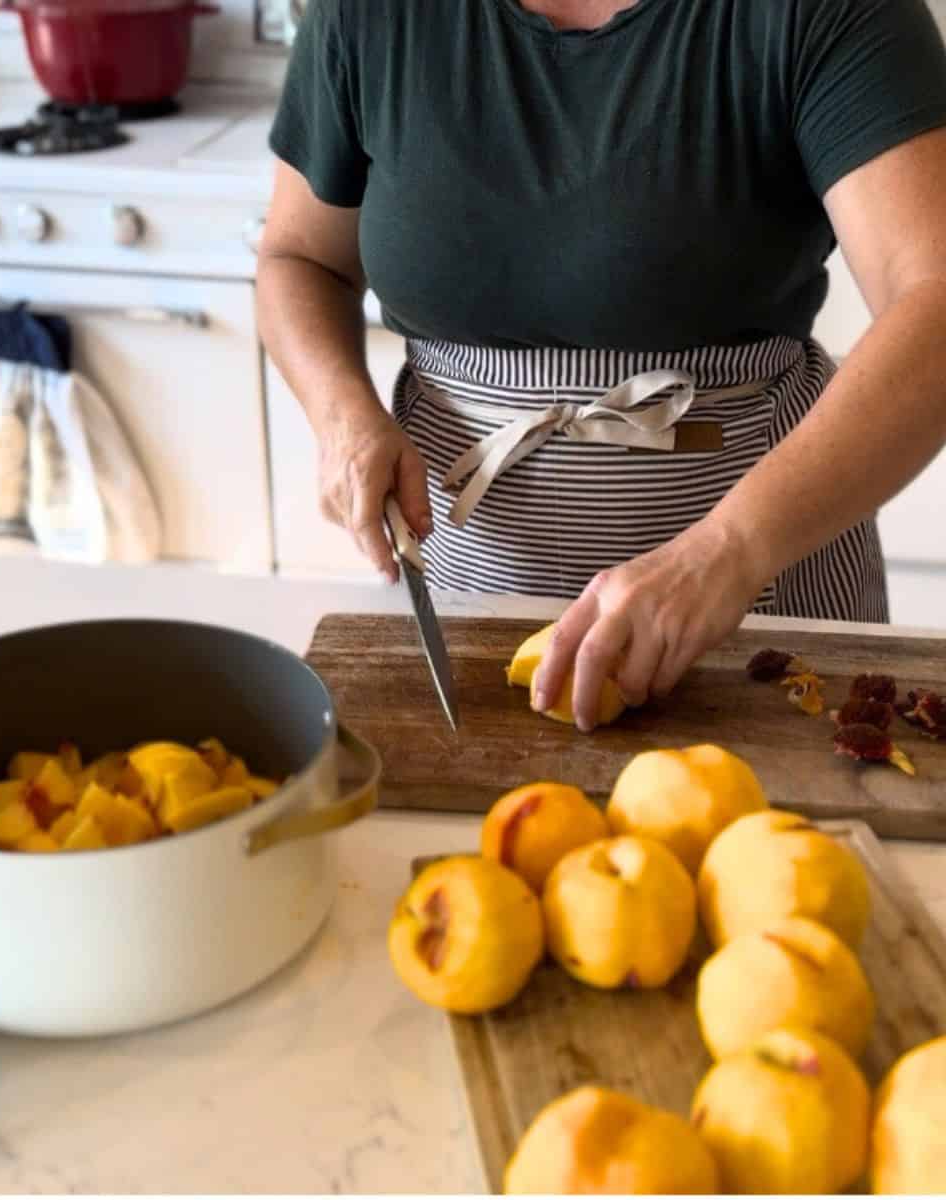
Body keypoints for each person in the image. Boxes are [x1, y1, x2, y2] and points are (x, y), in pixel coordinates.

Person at [256, 0, 946, 731]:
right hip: (462, 603)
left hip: (763, 595)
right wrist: (342, 417)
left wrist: (727, 552)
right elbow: (299, 259)